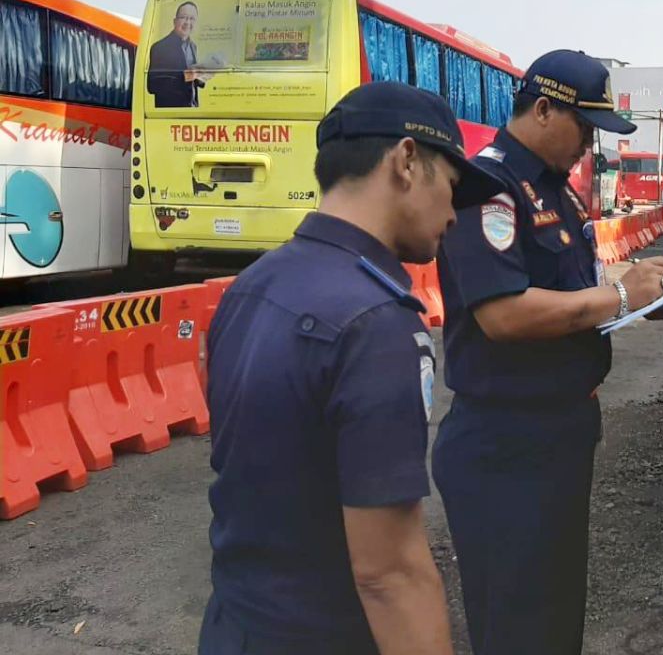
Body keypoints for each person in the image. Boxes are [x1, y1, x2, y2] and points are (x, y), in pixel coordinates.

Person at [199, 81, 506, 655]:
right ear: (408, 161)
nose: (455, 216)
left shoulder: (252, 286)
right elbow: (389, 574)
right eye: (453, 187)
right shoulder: (378, 323)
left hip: (233, 624)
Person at [433, 49, 663, 655]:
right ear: (544, 109)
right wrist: (621, 296)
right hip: (507, 442)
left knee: (555, 611)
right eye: (585, 130)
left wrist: (641, 290)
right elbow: (504, 313)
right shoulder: (489, 187)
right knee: (518, 620)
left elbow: (574, 289)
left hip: (558, 432)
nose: (588, 147)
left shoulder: (555, 191)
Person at [147, 1, 206, 108]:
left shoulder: (193, 46)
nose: (188, 22)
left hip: (192, 112)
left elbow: (192, 81)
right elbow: (152, 86)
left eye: (192, 19)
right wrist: (184, 77)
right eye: (183, 17)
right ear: (175, 21)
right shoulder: (159, 48)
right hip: (171, 115)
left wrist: (200, 78)